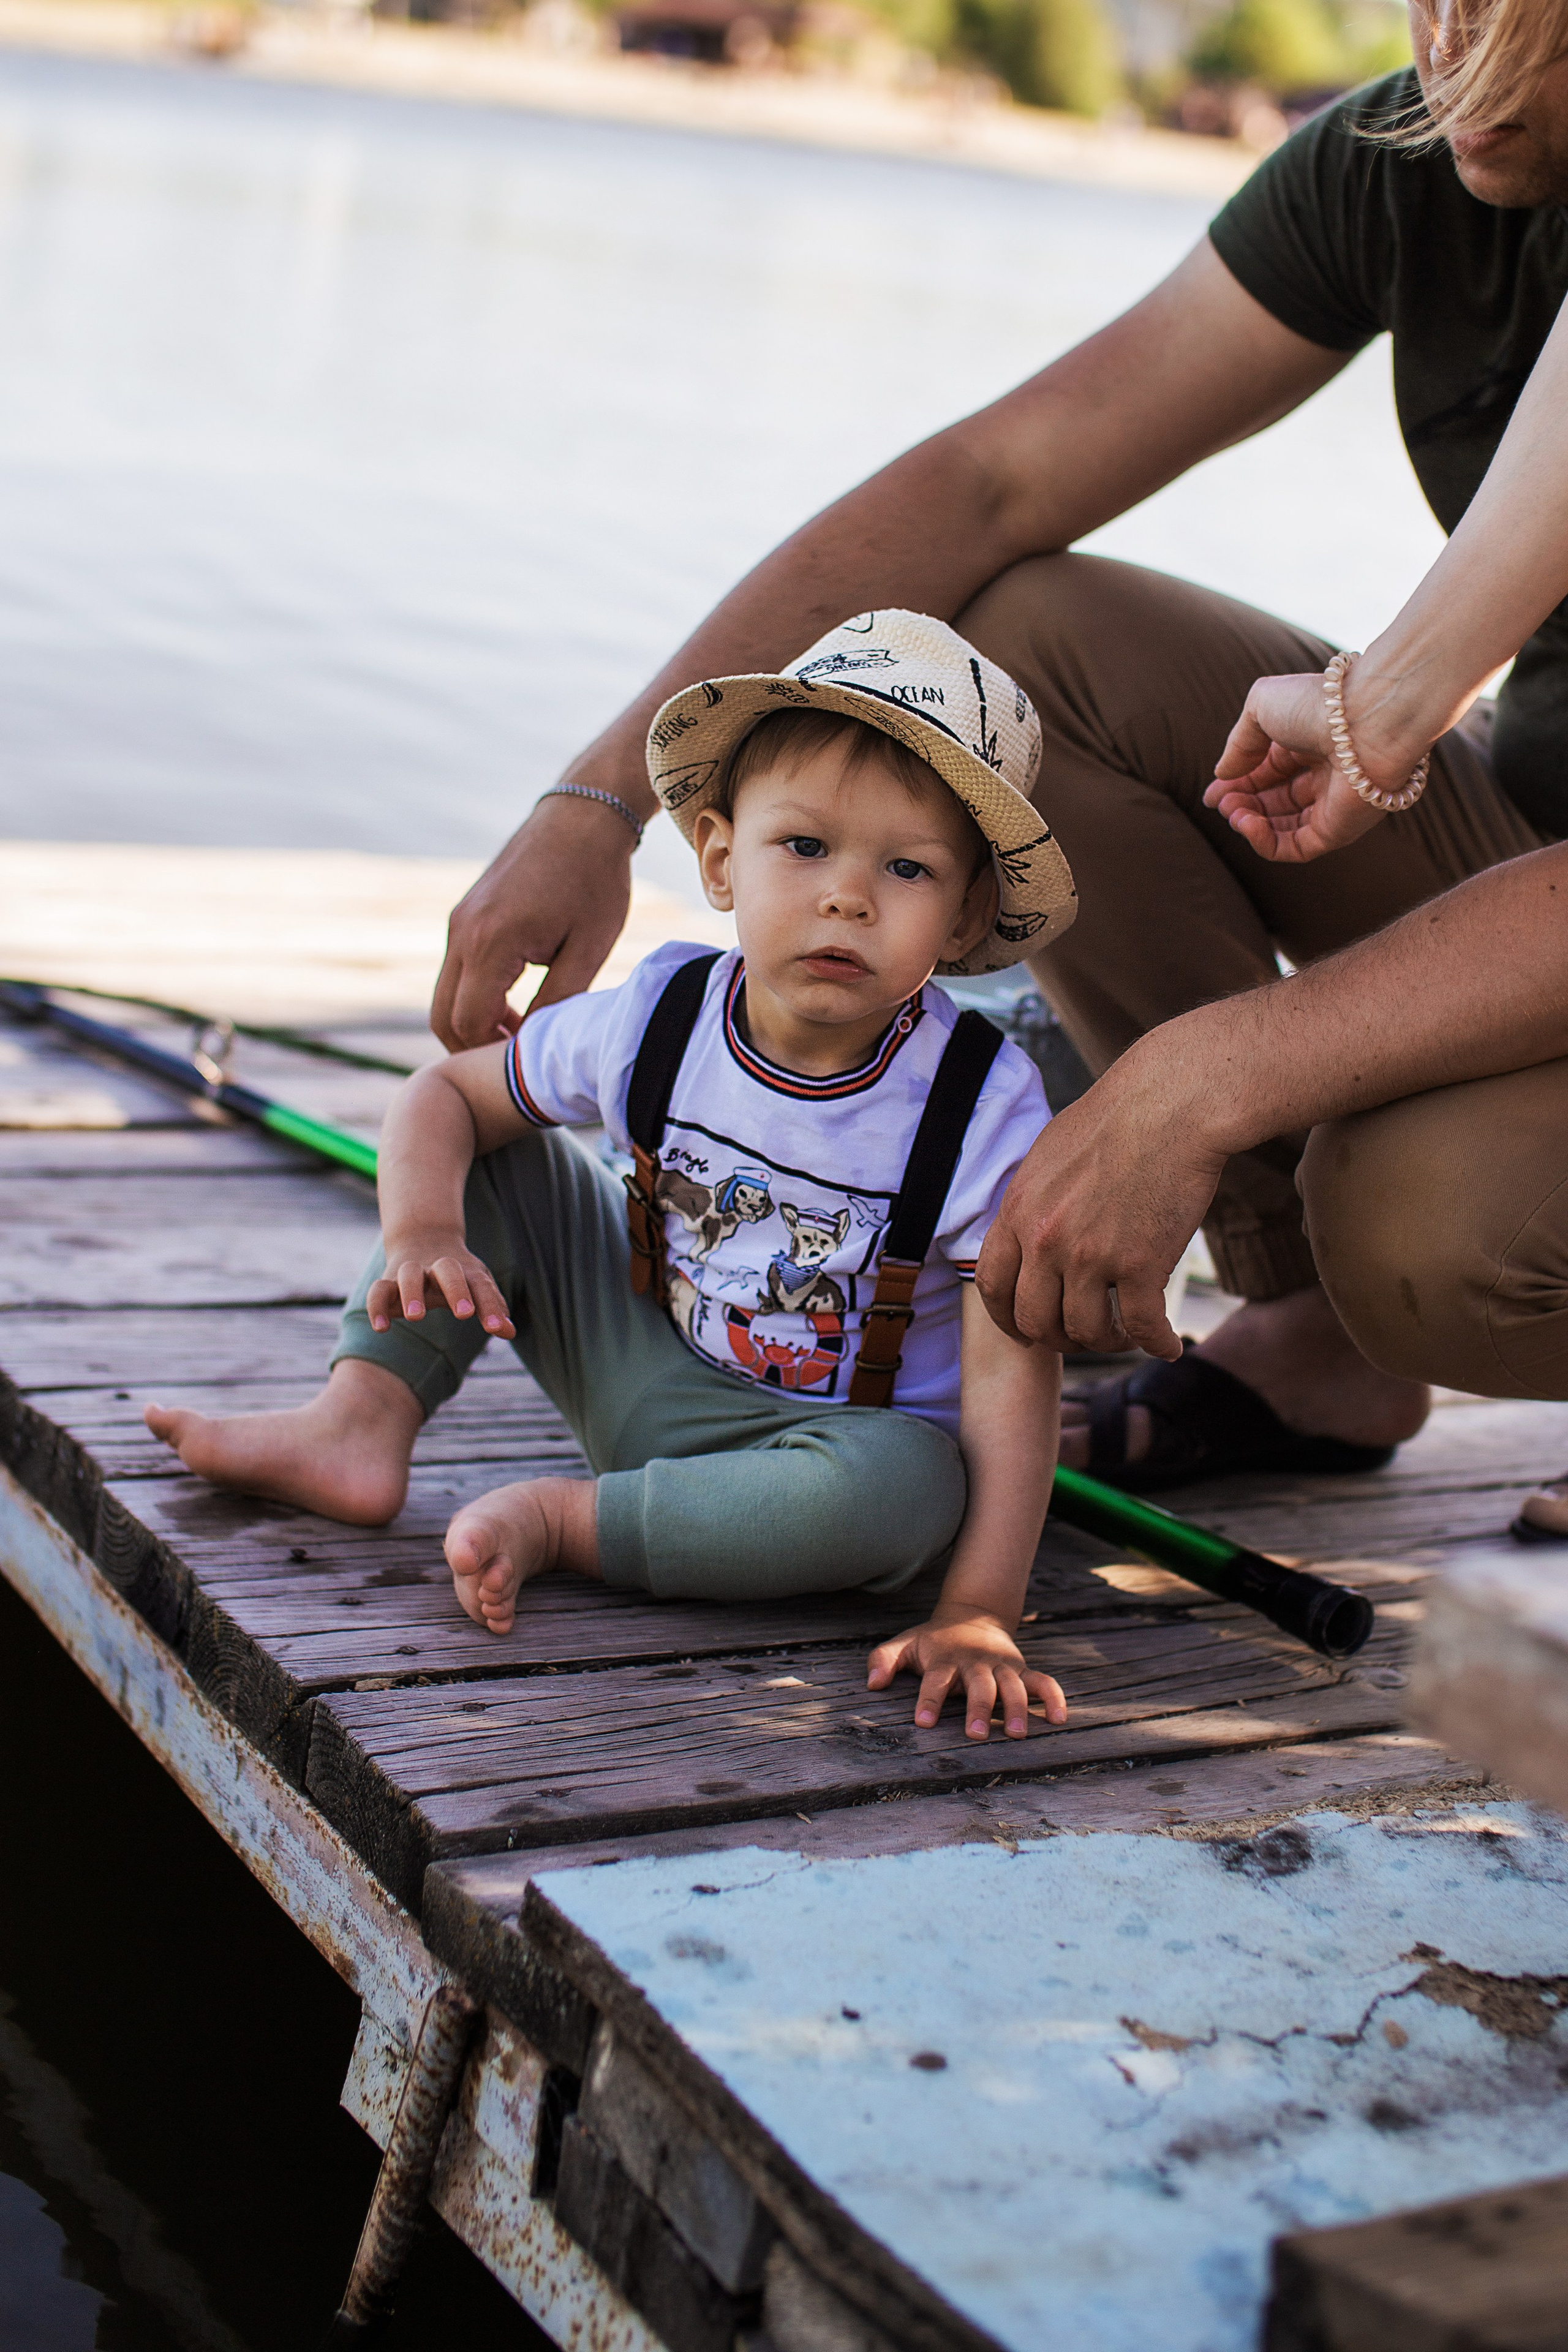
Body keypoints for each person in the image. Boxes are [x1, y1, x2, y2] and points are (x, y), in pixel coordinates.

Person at [426, 0, 1568, 1491]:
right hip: (1517, 847)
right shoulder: (1413, 152)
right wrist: (604, 795)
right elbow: (990, 479)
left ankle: (1346, 1263)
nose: (1447, 53)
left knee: (1423, 1232)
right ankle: (1306, 1329)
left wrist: (1206, 1075)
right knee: (1026, 644)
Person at [146, 614, 1076, 1741]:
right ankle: (358, 1421)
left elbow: (1014, 1369)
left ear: (969, 913)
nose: (848, 897)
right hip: (638, 1362)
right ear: (722, 859)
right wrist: (423, 1233)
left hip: (819, 1460)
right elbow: (440, 1097)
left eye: (908, 867)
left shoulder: (981, 1104)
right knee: (507, 1149)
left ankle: (572, 1523)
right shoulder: (663, 1016)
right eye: (805, 847)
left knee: (916, 1487)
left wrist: (979, 1606)